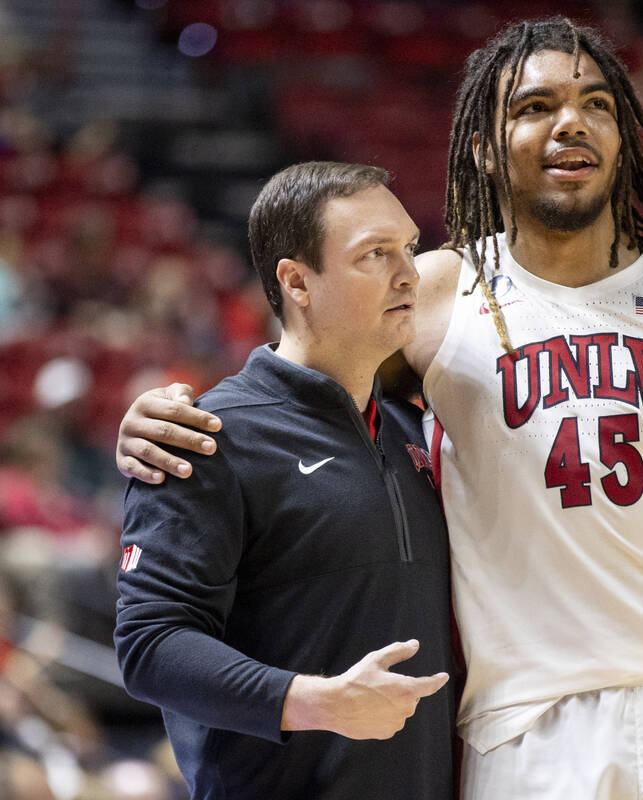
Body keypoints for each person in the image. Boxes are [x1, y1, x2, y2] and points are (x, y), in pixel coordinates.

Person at [116, 18, 643, 799]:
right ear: (485, 148)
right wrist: (165, 416)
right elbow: (303, 383)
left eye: (597, 103)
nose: (573, 122)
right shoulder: (440, 294)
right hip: (525, 730)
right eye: (537, 106)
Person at [114, 161, 454, 800]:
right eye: (374, 254)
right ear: (297, 280)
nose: (409, 271)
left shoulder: (420, 433)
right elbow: (149, 644)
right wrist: (312, 702)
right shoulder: (207, 437)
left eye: (408, 247)